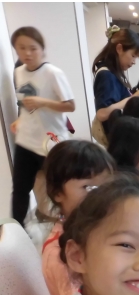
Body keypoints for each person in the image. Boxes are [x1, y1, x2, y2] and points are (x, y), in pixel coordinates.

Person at [10, 26, 75, 227]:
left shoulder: (52, 73)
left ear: (42, 49)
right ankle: (16, 235)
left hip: (51, 142)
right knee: (20, 190)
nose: (27, 53)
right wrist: (21, 119)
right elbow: (26, 102)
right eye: (21, 48)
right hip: (26, 141)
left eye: (33, 48)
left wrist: (43, 102)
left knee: (60, 190)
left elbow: (70, 105)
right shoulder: (19, 72)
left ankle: (72, 227)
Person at [41, 140, 115, 295]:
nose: (100, 194)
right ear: (57, 192)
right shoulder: (58, 255)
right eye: (88, 186)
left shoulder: (93, 227)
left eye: (106, 185)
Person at [92, 26, 139, 138]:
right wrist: (132, 98)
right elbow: (102, 114)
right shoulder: (106, 75)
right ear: (119, 48)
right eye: (133, 56)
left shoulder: (114, 73)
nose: (134, 62)